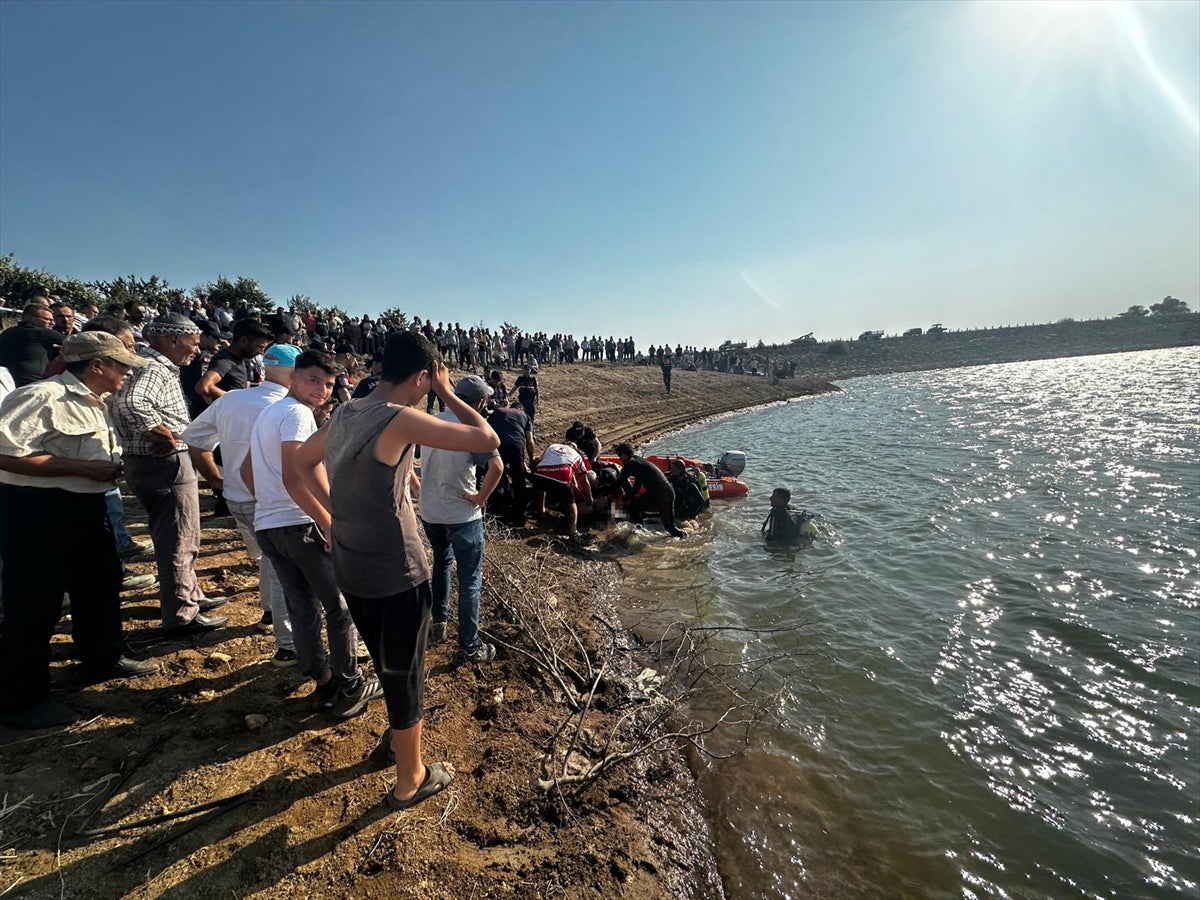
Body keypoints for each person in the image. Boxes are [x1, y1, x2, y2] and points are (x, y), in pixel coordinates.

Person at [293, 331, 499, 810]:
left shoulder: (346, 411)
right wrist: (448, 393)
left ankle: (398, 739)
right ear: (423, 376)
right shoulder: (400, 418)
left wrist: (335, 514)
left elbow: (303, 462)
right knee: (405, 672)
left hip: (352, 562)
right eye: (432, 381)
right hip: (397, 570)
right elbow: (485, 439)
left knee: (390, 664)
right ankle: (411, 778)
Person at [0, 332, 159, 729]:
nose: (127, 373)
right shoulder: (41, 397)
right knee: (34, 604)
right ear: (97, 365)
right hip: (39, 512)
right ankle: (22, 699)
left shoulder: (95, 402)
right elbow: (5, 454)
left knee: (100, 584)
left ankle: (101, 658)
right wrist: (84, 469)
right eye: (121, 366)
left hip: (87, 507)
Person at [245, 350, 381, 719]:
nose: (322, 390)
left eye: (329, 384)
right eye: (313, 380)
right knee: (338, 608)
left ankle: (322, 681)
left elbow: (245, 471)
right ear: (293, 378)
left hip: (269, 526)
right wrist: (327, 519)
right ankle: (349, 684)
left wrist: (270, 503)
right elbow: (297, 472)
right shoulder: (296, 414)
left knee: (300, 606)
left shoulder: (266, 415)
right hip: (299, 525)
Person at [181, 343, 301, 666]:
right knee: (283, 571)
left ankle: (266, 612)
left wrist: (216, 480)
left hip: (236, 498)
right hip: (272, 502)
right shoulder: (291, 408)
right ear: (295, 373)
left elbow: (194, 438)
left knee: (267, 556)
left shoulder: (232, 399)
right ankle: (287, 644)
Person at [109, 313, 229, 632]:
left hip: (149, 463)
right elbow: (129, 403)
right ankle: (181, 613)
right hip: (165, 463)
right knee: (178, 539)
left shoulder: (146, 363)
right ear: (172, 340)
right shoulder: (153, 366)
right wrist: (157, 431)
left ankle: (190, 594)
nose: (196, 350)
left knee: (177, 534)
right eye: (192, 343)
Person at [418, 375, 503, 663]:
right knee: (469, 580)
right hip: (461, 515)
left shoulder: (430, 420)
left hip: (430, 511)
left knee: (441, 563)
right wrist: (480, 498)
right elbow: (497, 467)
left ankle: (439, 623)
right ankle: (469, 645)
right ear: (480, 401)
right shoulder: (473, 427)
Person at [613, 443, 685, 538]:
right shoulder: (639, 462)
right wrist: (628, 498)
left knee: (670, 527)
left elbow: (618, 482)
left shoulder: (631, 463)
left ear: (623, 454)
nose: (620, 459)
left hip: (662, 495)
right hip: (665, 492)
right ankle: (639, 530)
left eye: (619, 456)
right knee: (636, 506)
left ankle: (639, 531)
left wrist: (604, 492)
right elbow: (636, 487)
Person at [195, 318, 272, 405]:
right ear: (243, 341)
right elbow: (204, 387)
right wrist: (235, 399)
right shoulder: (224, 361)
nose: (261, 351)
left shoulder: (243, 358)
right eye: (259, 347)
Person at [532, 440, 593, 539]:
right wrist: (589, 498)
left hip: (541, 471)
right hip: (562, 474)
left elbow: (541, 460)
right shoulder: (577, 455)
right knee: (571, 503)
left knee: (541, 488)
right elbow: (584, 480)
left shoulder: (552, 446)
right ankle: (573, 531)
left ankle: (541, 512)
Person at [489, 399, 535, 526]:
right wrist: (530, 460)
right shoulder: (525, 416)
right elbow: (530, 441)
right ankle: (519, 517)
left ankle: (498, 515)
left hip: (498, 445)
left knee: (497, 478)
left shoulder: (498, 411)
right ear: (521, 410)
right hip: (516, 447)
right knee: (519, 481)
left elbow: (488, 431)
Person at [0, 301, 64, 387]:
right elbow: (77, 342)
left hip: (6, 382)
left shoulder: (7, 332)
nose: (52, 323)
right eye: (47, 319)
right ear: (29, 318)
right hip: (32, 383)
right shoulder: (43, 332)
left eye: (52, 320)